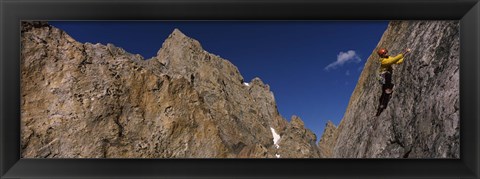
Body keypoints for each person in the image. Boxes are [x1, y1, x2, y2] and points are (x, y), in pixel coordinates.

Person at [375, 48, 411, 116]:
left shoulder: (388, 57)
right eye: (384, 53)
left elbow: (397, 61)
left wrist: (403, 57)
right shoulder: (383, 61)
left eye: (386, 52)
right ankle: (386, 92)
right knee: (387, 75)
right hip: (382, 76)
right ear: (382, 55)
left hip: (386, 76)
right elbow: (393, 60)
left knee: (385, 92)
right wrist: (404, 53)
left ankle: (382, 105)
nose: (386, 53)